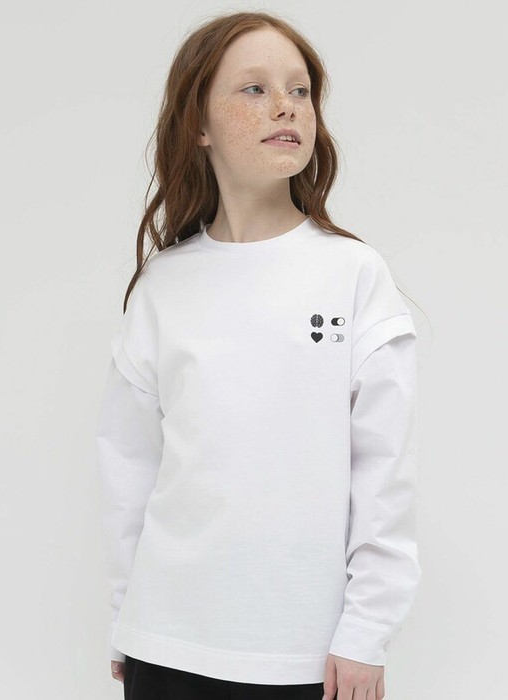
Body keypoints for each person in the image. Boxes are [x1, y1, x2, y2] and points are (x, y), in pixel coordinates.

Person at [95, 10, 422, 700]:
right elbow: (130, 470)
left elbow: (383, 474)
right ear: (199, 124)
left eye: (300, 90)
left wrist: (366, 631)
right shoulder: (162, 286)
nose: (285, 105)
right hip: (164, 642)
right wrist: (125, 617)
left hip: (305, 657)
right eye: (254, 89)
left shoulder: (354, 274)